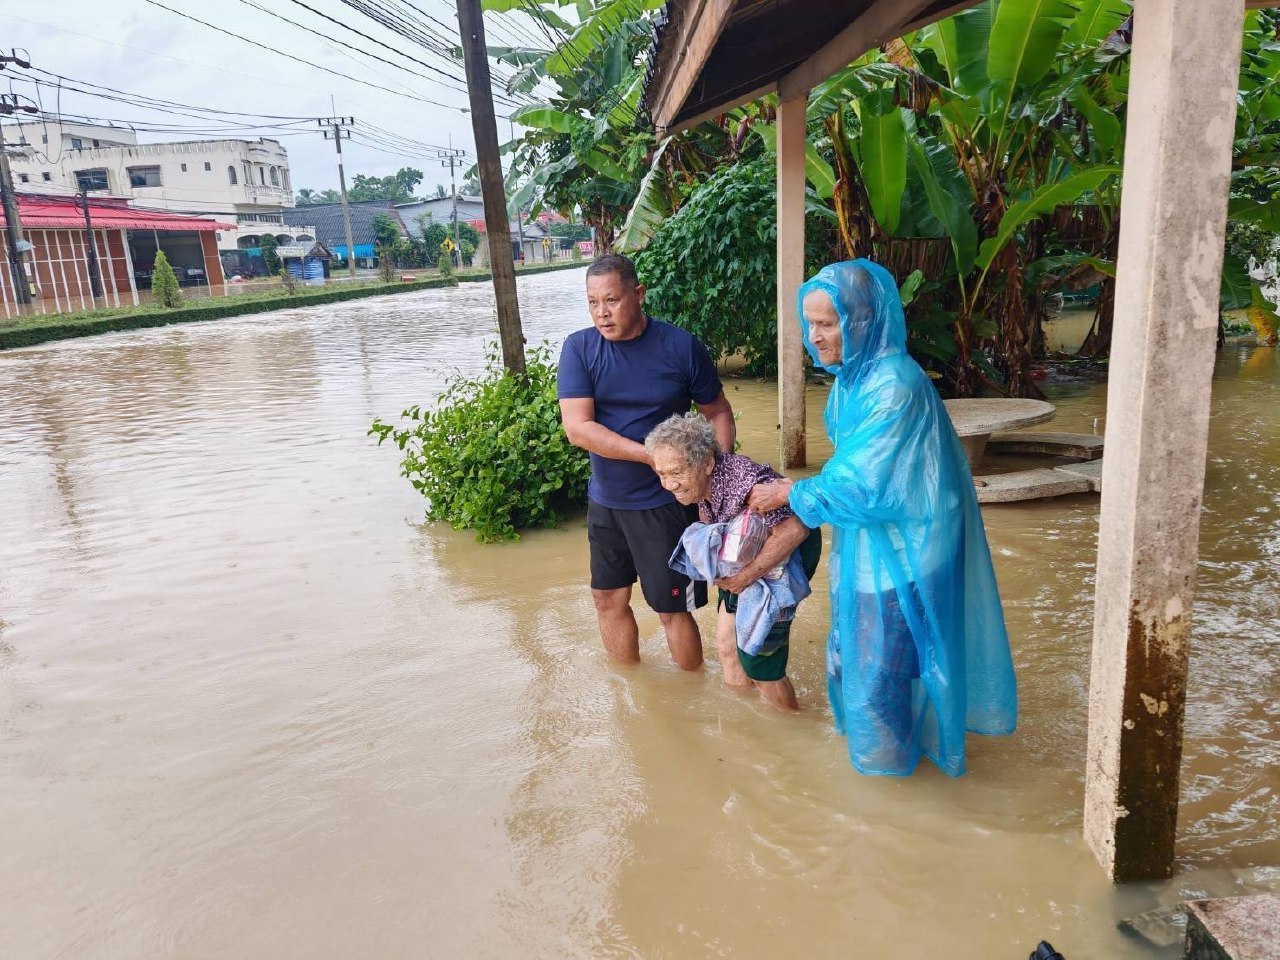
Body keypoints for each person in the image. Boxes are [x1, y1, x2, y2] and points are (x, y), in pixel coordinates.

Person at [749, 259, 1017, 776]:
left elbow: (863, 484)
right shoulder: (853, 378)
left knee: (879, 678)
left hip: (907, 552)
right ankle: (898, 766)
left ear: (863, 321)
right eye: (810, 323)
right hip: (880, 544)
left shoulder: (894, 385)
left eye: (827, 324)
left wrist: (790, 492)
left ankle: (891, 789)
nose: (814, 337)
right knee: (876, 664)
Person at [558, 255, 735, 670]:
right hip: (606, 502)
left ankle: (690, 695)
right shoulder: (579, 349)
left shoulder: (680, 347)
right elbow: (578, 429)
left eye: (612, 300)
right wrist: (648, 455)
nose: (601, 312)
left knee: (672, 609)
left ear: (638, 294)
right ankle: (630, 690)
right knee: (607, 598)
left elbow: (717, 412)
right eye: (592, 302)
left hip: (666, 504)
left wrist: (719, 477)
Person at [646, 413, 821, 710]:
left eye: (676, 472)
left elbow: (796, 530)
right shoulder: (701, 485)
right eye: (661, 474)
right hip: (744, 551)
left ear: (707, 463)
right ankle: (745, 719)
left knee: (759, 663)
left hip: (788, 552)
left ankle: (791, 724)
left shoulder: (745, 482)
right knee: (727, 644)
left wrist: (744, 579)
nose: (669, 484)